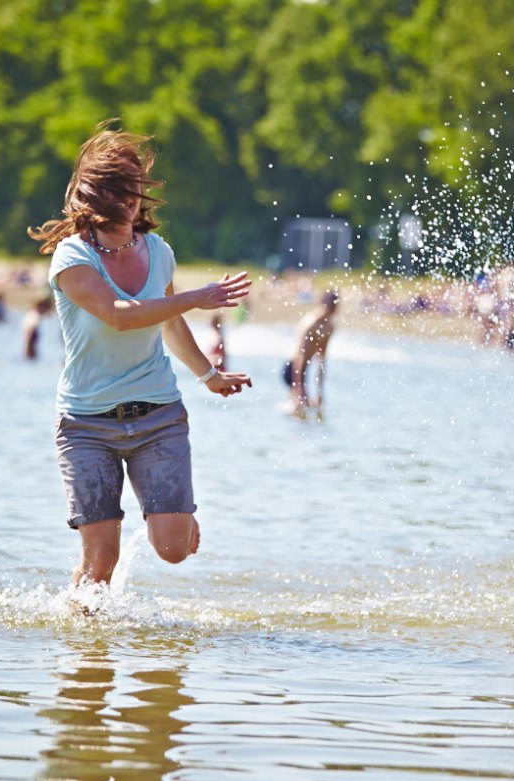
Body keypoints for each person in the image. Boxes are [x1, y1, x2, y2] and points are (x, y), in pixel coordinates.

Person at [27, 122, 253, 592]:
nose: (130, 200)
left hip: (159, 417)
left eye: (134, 190)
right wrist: (196, 296)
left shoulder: (158, 251)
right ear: (94, 198)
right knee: (100, 561)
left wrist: (208, 375)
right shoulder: (72, 258)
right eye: (118, 191)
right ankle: (86, 652)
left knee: (173, 549)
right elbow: (118, 316)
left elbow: (168, 322)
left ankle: (178, 518)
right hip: (87, 425)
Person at [283, 288, 339, 418]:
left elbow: (321, 359)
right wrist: (299, 388)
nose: (332, 308)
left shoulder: (330, 327)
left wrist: (319, 392)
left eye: (335, 304)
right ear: (322, 302)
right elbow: (299, 357)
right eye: (330, 304)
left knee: (306, 408)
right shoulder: (310, 323)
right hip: (292, 369)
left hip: (304, 370)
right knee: (299, 409)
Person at [22, 295, 53, 360]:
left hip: (30, 346)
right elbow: (30, 334)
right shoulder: (35, 316)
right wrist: (30, 350)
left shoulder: (32, 314)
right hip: (31, 347)